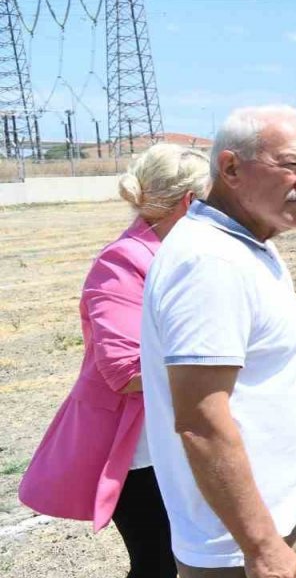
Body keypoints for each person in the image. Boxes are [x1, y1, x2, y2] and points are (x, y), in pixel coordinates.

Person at [139, 105, 296, 578]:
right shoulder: (210, 263)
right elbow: (202, 421)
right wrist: (262, 545)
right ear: (230, 169)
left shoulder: (247, 244)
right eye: (290, 164)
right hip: (240, 547)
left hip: (275, 519)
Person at [19, 143, 211, 578]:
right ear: (189, 202)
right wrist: (216, 364)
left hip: (173, 437)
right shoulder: (121, 262)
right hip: (139, 450)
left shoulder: (182, 256)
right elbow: (124, 372)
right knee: (159, 564)